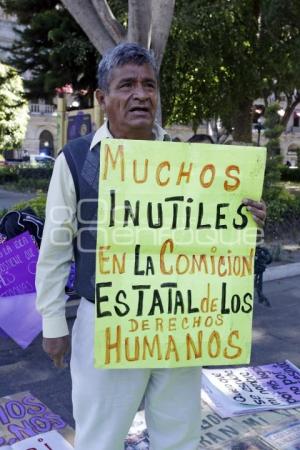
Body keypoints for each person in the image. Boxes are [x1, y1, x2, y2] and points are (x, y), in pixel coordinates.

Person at [36, 43, 267, 450]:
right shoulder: (75, 160)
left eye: (149, 85)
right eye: (127, 85)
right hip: (105, 322)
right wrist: (53, 324)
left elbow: (208, 236)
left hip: (178, 322)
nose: (141, 94)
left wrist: (245, 220)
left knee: (179, 435)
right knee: (99, 438)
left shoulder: (192, 162)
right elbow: (54, 250)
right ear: (103, 99)